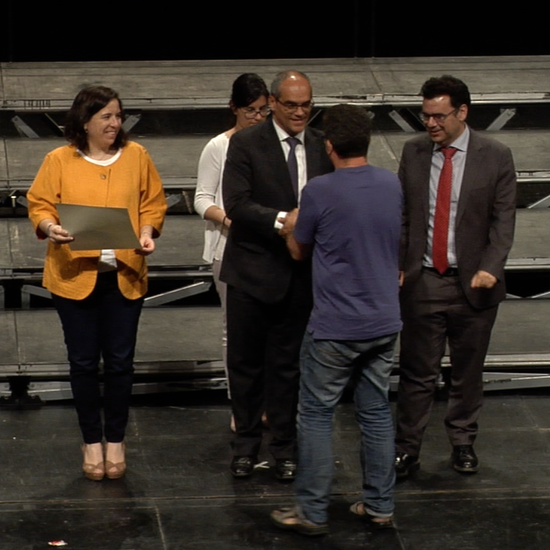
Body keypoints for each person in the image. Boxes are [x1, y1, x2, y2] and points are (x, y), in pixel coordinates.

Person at [270, 104, 402, 535]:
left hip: (336, 327)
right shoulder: (391, 183)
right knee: (377, 413)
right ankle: (381, 506)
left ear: (329, 146)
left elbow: (299, 250)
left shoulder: (320, 190)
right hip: (383, 321)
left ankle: (310, 511)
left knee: (316, 416)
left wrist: (289, 225)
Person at [27, 86, 167, 481]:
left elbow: (153, 202)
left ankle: (117, 441)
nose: (114, 123)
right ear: (85, 121)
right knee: (83, 363)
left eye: (118, 115)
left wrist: (146, 231)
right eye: (106, 116)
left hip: (124, 275)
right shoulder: (59, 159)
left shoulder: (136, 156)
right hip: (74, 278)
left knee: (121, 363)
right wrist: (50, 227)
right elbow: (39, 204)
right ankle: (91, 442)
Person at [395, 75, 516, 478]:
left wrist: (490, 267)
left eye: (439, 116)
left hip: (473, 283)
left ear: (462, 112)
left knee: (467, 371)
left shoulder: (495, 155)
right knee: (417, 372)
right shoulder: (413, 153)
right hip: (424, 279)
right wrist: (398, 263)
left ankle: (463, 442)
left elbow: (503, 220)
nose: (430, 124)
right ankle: (407, 448)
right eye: (425, 116)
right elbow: (405, 216)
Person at [221, 70, 333, 480]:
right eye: (292, 105)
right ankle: (246, 446)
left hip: (300, 275)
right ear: (273, 101)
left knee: (288, 367)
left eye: (307, 104)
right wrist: (285, 221)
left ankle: (285, 448)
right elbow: (236, 203)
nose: (301, 112)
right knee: (246, 365)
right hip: (251, 272)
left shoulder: (323, 145)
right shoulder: (246, 142)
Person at [194, 73, 269, 432]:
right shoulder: (218, 147)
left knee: (272, 329)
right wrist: (232, 221)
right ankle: (241, 406)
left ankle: (269, 401)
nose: (257, 118)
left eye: (263, 111)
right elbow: (201, 199)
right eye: (250, 111)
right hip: (230, 246)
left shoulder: (272, 144)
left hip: (268, 247)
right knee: (236, 331)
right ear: (234, 108)